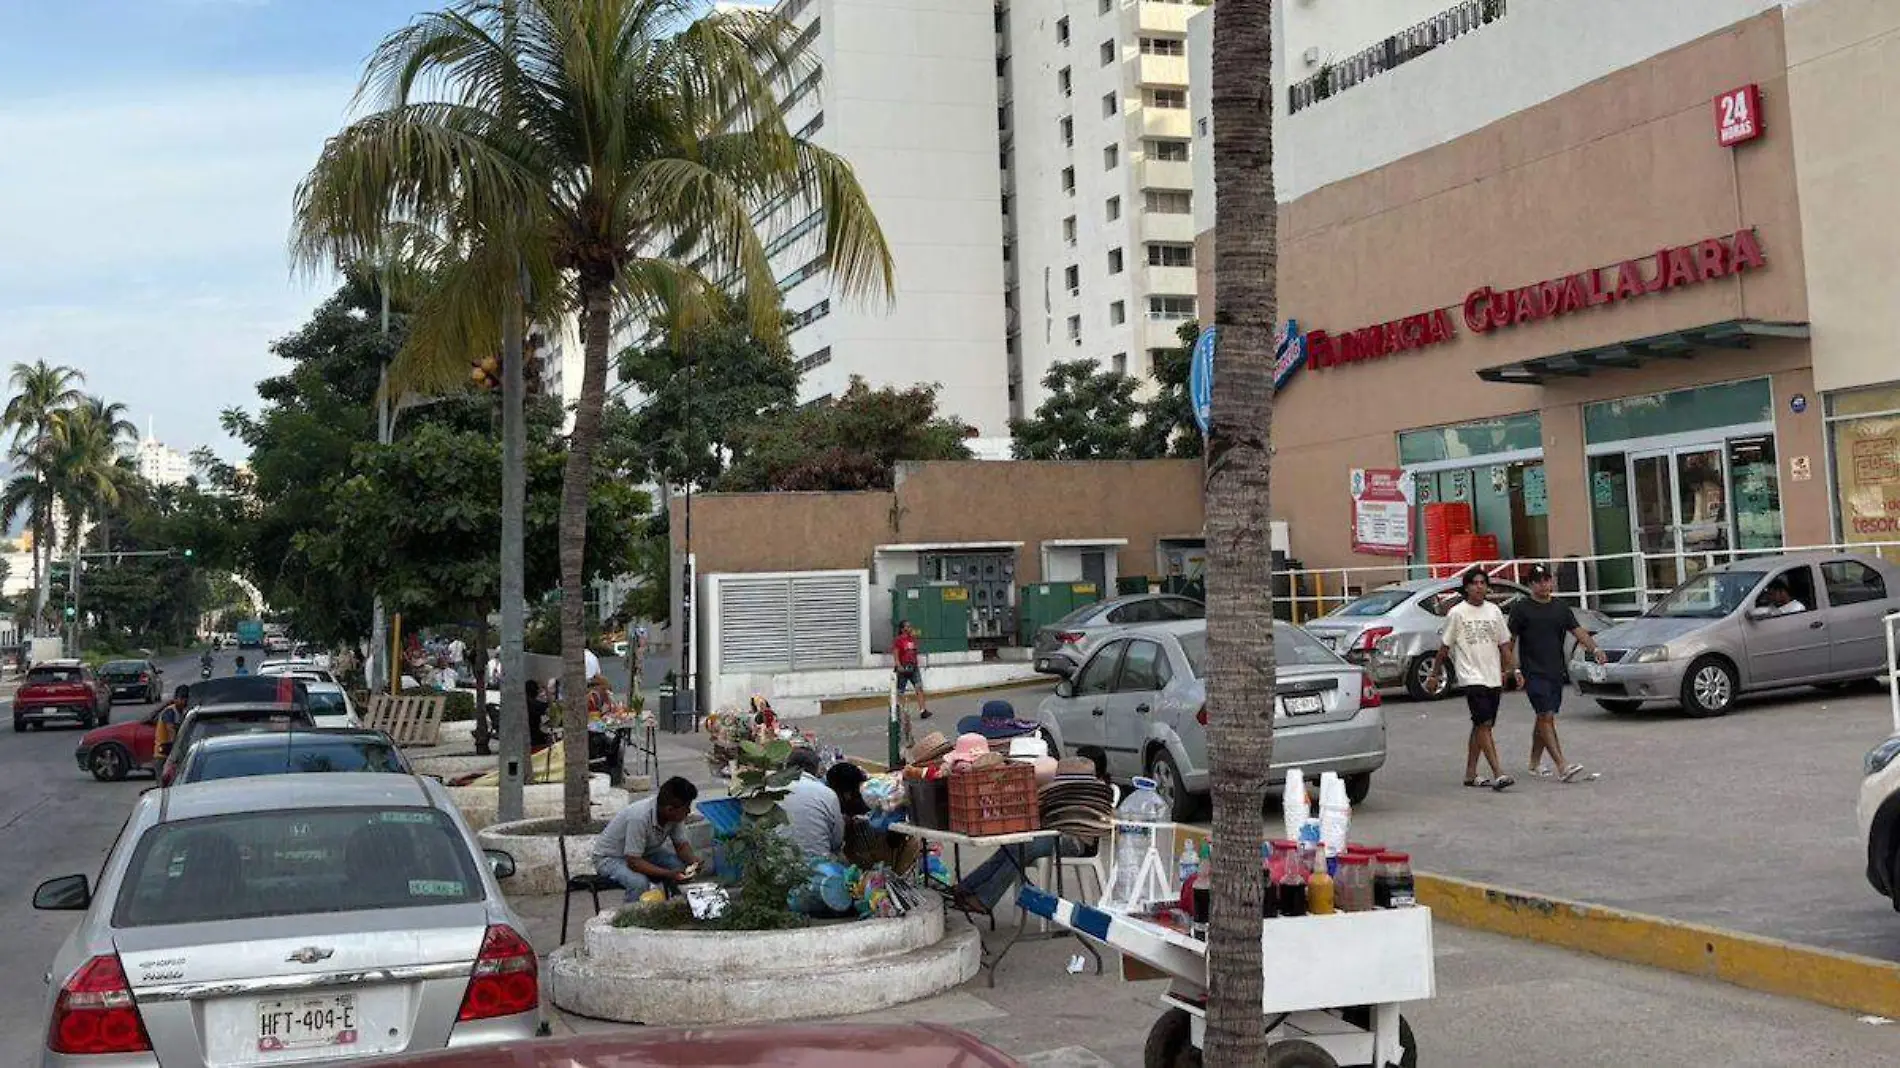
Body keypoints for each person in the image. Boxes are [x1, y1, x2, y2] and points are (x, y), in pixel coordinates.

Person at [1507, 564, 1605, 783]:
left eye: (1546, 580)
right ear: (1530, 584)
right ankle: (1562, 765)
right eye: (1538, 581)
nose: (1543, 584)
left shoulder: (1561, 608)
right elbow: (1509, 642)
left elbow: (1578, 631)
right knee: (1546, 715)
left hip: (1555, 671)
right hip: (1533, 671)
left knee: (1544, 716)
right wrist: (1513, 668)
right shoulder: (1521, 609)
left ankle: (1533, 763)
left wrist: (1595, 649)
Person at [1430, 567, 1516, 792]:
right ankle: (1498, 772)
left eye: (1483, 583)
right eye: (1475, 583)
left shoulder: (1494, 611)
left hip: (1492, 676)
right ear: (1467, 587)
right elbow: (1444, 647)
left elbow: (1504, 643)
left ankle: (1470, 773)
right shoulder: (1457, 613)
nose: (1479, 587)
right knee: (1484, 723)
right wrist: (1434, 673)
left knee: (1482, 724)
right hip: (1471, 676)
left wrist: (1512, 670)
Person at [592, 777, 701, 901]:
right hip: (611, 858)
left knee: (680, 868)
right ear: (669, 809)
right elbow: (634, 862)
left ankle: (678, 905)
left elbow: (681, 846)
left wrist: (693, 862)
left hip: (645, 853)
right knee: (638, 883)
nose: (689, 811)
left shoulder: (674, 816)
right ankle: (633, 917)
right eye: (686, 808)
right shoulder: (639, 817)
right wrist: (668, 874)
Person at [892, 621, 929, 745]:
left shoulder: (912, 639)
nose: (909, 628)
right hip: (903, 667)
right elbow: (896, 653)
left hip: (913, 667)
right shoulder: (898, 640)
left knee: (919, 687)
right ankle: (901, 711)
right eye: (907, 626)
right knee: (900, 691)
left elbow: (914, 653)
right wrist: (898, 665)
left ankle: (923, 710)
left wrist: (917, 664)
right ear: (902, 629)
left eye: (910, 626)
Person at [154, 685, 190, 759]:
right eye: (181, 699)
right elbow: (171, 732)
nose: (184, 702)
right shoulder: (170, 712)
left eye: (186, 699)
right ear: (175, 699)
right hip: (163, 755)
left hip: (171, 753)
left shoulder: (182, 712)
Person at [525, 678, 554, 749]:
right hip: (535, 739)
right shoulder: (535, 704)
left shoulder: (527, 702)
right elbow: (551, 707)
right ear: (536, 691)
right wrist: (546, 689)